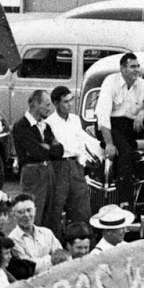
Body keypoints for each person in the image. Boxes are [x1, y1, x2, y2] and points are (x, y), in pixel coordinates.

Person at [98, 53, 144, 205]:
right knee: (125, 151)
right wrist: (109, 143)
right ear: (122, 69)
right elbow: (103, 116)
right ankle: (125, 201)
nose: (137, 70)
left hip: (130, 125)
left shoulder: (140, 83)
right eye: (132, 67)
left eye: (138, 66)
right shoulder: (110, 82)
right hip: (110, 126)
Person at [46, 84, 97, 232]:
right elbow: (58, 148)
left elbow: (82, 140)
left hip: (76, 167)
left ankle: (84, 242)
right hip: (59, 167)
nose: (70, 104)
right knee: (55, 211)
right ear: (56, 103)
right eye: (65, 101)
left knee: (82, 210)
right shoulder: (49, 123)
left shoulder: (75, 120)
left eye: (71, 100)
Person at [12, 89, 58, 228]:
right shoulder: (21, 126)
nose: (50, 109)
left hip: (48, 171)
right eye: (47, 104)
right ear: (36, 105)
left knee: (49, 215)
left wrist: (48, 147)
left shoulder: (45, 125)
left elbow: (59, 150)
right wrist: (49, 147)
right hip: (33, 172)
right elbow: (37, 152)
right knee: (33, 215)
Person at [8, 192, 63, 272]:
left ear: (35, 211)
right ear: (13, 215)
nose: (26, 215)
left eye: (29, 210)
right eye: (21, 212)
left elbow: (61, 255)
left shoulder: (47, 232)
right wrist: (51, 259)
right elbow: (29, 267)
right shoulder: (13, 240)